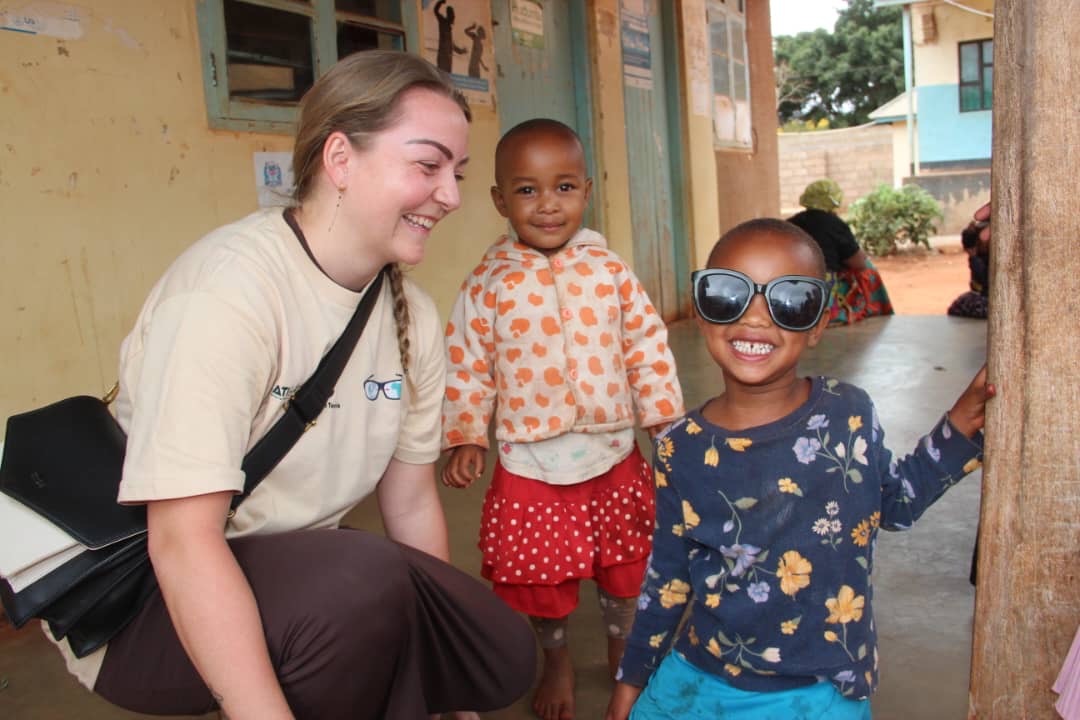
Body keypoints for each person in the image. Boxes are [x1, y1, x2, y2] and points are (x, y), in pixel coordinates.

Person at [49, 50, 535, 720]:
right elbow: (181, 543)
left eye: (456, 172)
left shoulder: (411, 318)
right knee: (356, 582)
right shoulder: (228, 293)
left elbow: (413, 501)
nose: (450, 195)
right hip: (145, 605)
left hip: (304, 585)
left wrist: (444, 671)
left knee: (496, 648)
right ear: (340, 159)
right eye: (427, 166)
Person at [605, 218, 994, 720]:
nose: (756, 319)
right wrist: (631, 682)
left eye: (790, 301)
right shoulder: (681, 447)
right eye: (728, 294)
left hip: (820, 692)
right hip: (702, 681)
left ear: (817, 324)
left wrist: (958, 427)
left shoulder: (846, 414)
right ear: (701, 312)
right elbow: (669, 579)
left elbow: (893, 504)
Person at [441, 118, 685, 720]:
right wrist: (467, 433)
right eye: (527, 190)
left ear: (587, 190)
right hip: (531, 461)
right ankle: (557, 661)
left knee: (625, 569)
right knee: (542, 583)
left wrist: (663, 423)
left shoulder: (611, 273)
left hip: (611, 454)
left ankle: (624, 654)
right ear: (500, 199)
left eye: (564, 187)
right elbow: (467, 364)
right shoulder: (487, 283)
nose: (547, 205)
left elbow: (646, 348)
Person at [787, 179, 894, 326]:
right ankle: (872, 309)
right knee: (868, 271)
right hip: (821, 285)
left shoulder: (791, 223)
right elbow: (858, 263)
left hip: (788, 285)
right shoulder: (834, 223)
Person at [947, 221, 990, 319]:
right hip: (979, 294)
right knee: (957, 308)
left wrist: (974, 258)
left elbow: (984, 280)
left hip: (989, 298)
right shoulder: (980, 255)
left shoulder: (990, 257)